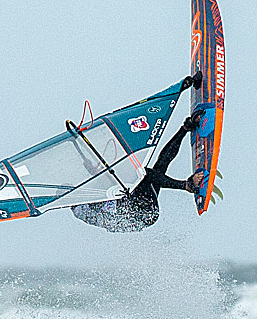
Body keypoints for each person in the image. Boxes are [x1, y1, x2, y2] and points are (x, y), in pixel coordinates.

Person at [71, 92, 205, 233]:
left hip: (136, 205)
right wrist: (95, 173)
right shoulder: (81, 209)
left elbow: (104, 184)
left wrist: (93, 171)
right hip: (138, 216)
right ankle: (187, 185)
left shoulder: (86, 194)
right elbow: (105, 191)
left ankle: (185, 128)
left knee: (157, 170)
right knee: (144, 175)